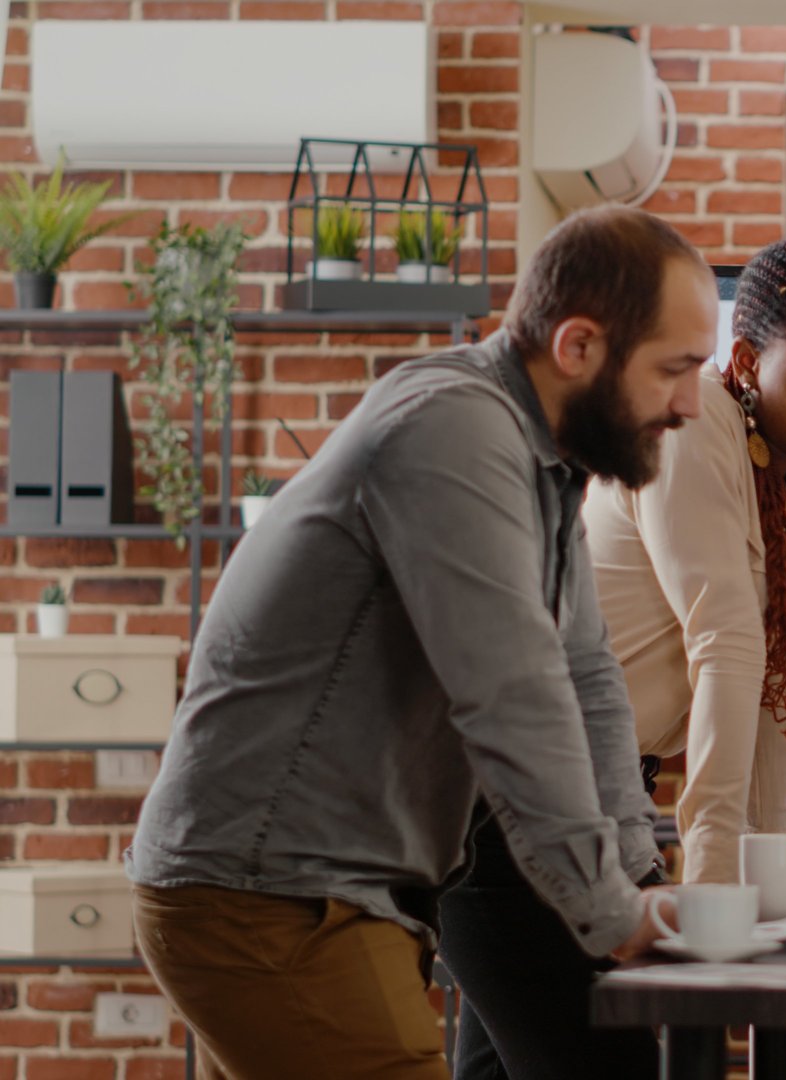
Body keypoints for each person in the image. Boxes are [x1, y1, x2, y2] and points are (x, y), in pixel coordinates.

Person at [126, 205, 715, 1080]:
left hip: (312, 896)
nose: (689, 404)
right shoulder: (453, 430)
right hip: (270, 898)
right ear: (580, 346)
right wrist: (609, 913)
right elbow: (514, 694)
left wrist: (637, 875)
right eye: (676, 368)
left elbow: (586, 676)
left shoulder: (541, 464)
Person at [584, 233, 786, 887]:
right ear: (747, 364)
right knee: (627, 989)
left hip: (614, 781)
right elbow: (729, 642)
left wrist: (768, 865)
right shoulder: (689, 428)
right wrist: (719, 881)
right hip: (528, 789)